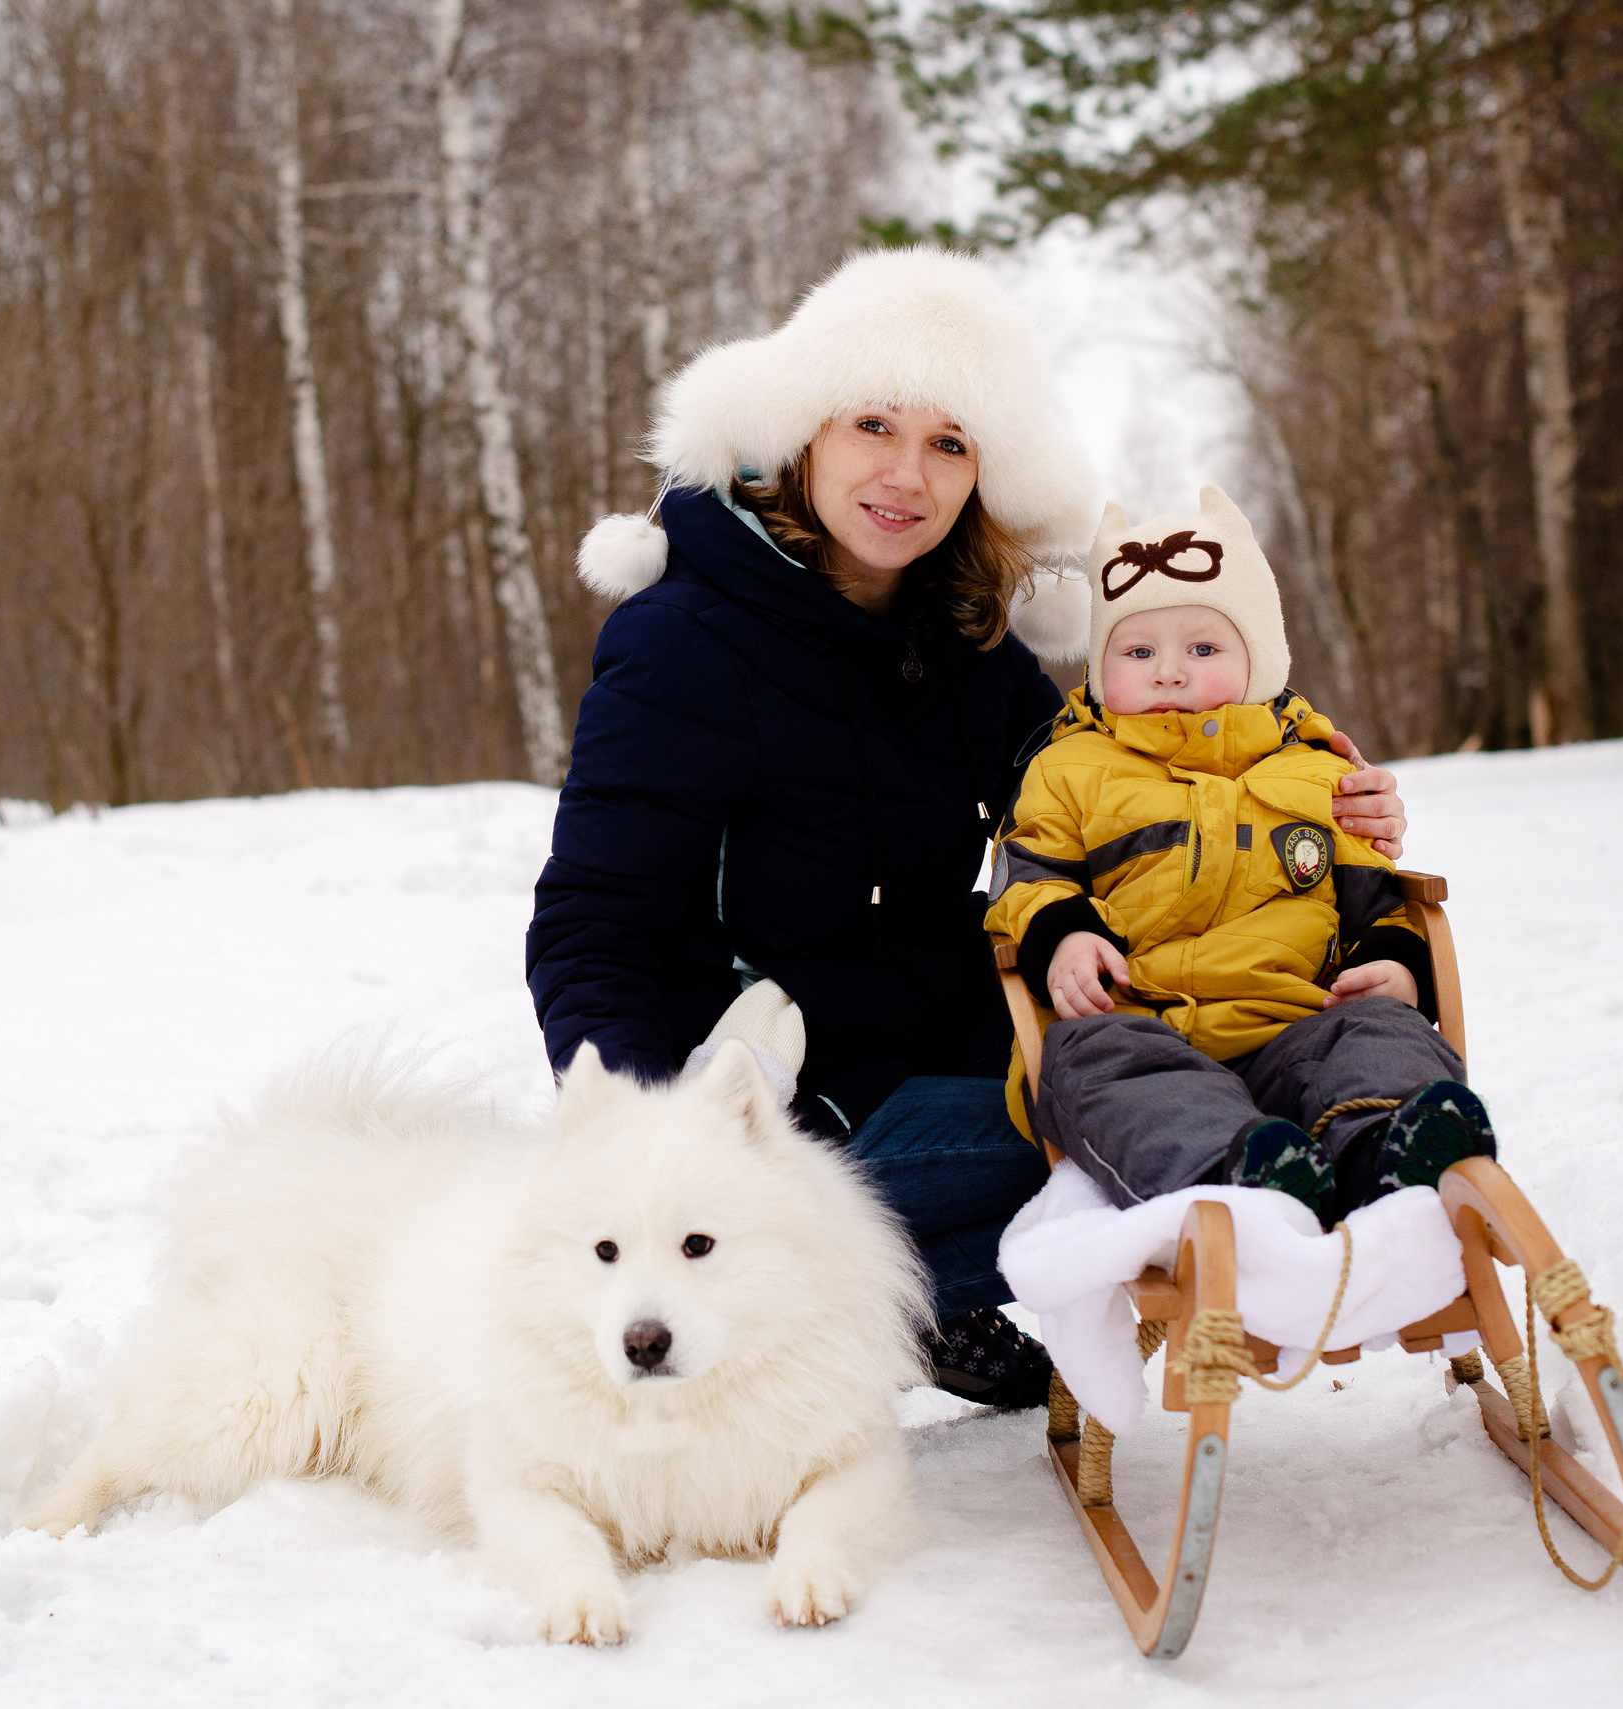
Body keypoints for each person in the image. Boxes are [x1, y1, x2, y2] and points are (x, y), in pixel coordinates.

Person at [527, 251, 1410, 1408]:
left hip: (946, 1027)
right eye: (874, 425)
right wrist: (652, 1151)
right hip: (782, 1096)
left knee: (1174, 1075)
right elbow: (593, 919)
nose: (907, 474)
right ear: (803, 433)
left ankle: (933, 1289)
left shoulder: (967, 639)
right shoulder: (687, 642)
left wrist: (1285, 783)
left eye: (949, 442)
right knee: (1110, 1141)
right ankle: (846, 1315)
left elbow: (1101, 781)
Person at [985, 484, 1486, 1226]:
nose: (1169, 671)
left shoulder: (1316, 772)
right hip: (1141, 1022)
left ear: (1260, 658)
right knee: (1089, 1063)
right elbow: (1027, 871)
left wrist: (1397, 961)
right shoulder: (1070, 768)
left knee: (1380, 1031)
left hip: (1299, 1022)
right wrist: (1062, 935)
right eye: (1138, 649)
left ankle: (1386, 1145)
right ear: (1101, 663)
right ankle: (1240, 1174)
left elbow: (1375, 899)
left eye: (1204, 647)